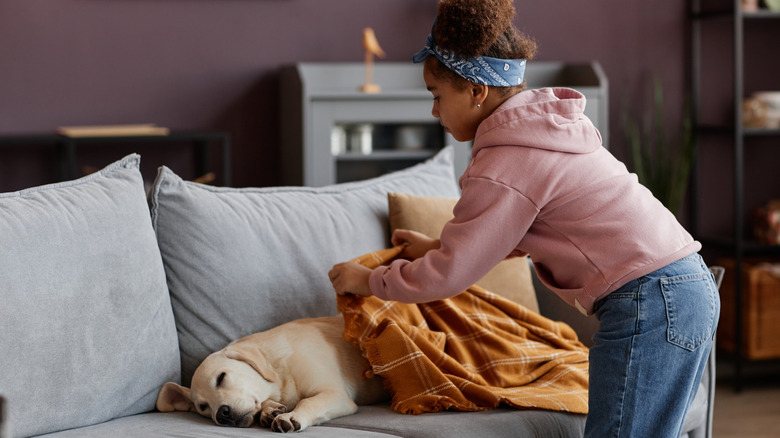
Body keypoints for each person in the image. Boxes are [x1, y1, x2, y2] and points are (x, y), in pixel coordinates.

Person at [328, 1, 720, 436]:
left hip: (650, 302)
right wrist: (437, 248)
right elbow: (518, 231)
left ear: (477, 92)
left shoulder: (506, 159)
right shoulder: (543, 131)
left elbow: (447, 277)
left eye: (438, 97)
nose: (435, 112)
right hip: (683, 289)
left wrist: (367, 281)